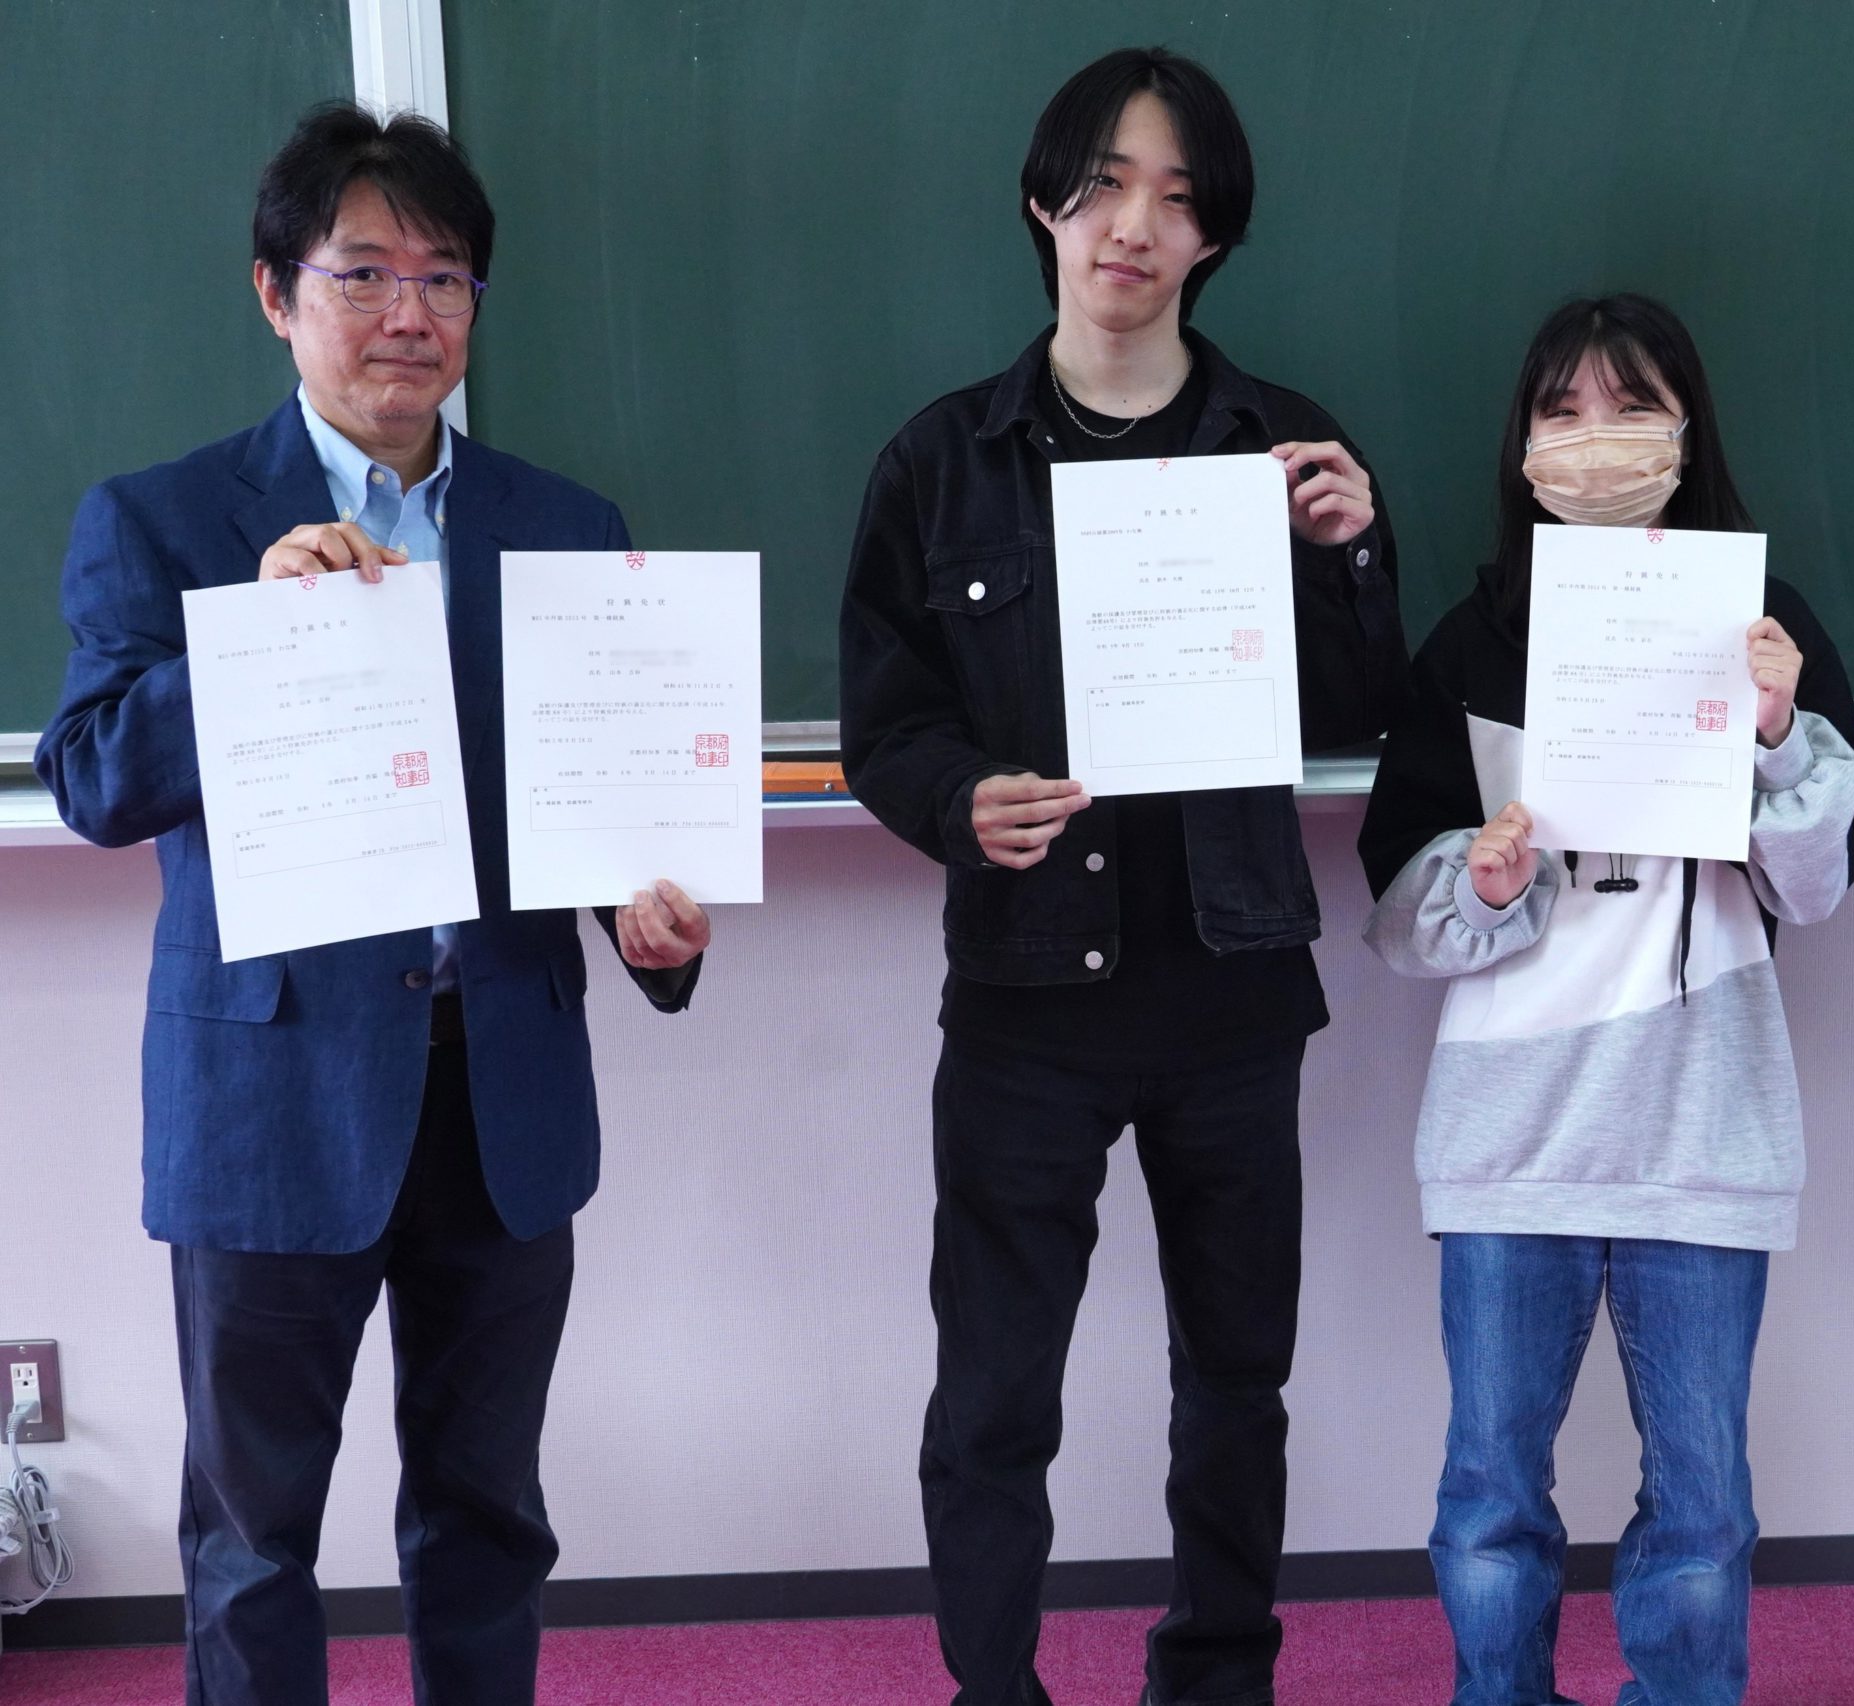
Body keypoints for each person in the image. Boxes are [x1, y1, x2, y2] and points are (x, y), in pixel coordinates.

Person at [34, 103, 709, 1706]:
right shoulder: (162, 519)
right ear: (277, 294)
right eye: (363, 272)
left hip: (502, 1088)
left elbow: (611, 818)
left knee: (488, 1514)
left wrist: (656, 931)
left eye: (445, 275)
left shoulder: (567, 528)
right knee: (251, 1531)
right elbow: (92, 777)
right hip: (269, 1093)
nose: (409, 311)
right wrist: (250, 642)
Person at [837, 46, 1406, 1706]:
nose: (1132, 226)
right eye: (1100, 188)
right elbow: (884, 724)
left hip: (1230, 994)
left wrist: (1350, 558)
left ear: (1214, 235)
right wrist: (960, 803)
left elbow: (1364, 716)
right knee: (994, 1394)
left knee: (1236, 1382)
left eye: (1173, 197)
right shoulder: (940, 460)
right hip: (1025, 1002)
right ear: (1044, 205)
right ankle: (994, 1687)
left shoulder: (1283, 448)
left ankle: (1215, 1675)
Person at [1357, 293, 1854, 1706]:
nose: (1598, 438)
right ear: (1522, 443)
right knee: (1489, 1494)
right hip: (1509, 1136)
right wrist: (1488, 881)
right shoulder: (1472, 643)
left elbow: (1820, 887)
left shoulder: (1767, 627)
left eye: (1633, 405)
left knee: (1701, 1505)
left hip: (1702, 1130)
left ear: (1689, 429)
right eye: (1564, 409)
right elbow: (1399, 916)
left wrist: (1779, 729)